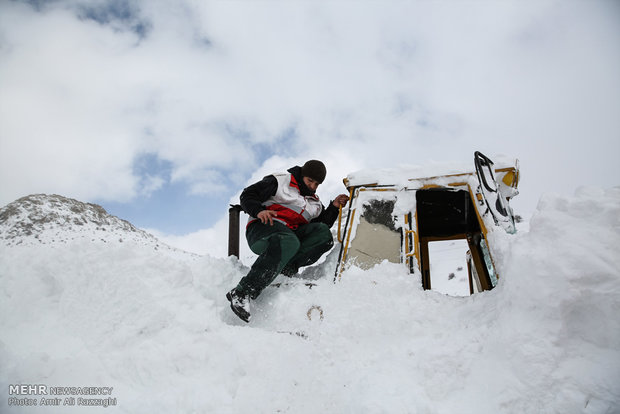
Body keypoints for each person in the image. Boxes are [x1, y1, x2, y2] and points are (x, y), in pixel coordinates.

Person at [226, 160, 349, 322]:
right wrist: (260, 211)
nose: (312, 186)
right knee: (288, 240)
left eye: (316, 184)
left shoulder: (314, 203)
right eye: (309, 181)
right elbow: (248, 194)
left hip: (290, 237)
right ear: (302, 175)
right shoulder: (280, 181)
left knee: (323, 235)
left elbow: (320, 226)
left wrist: (333, 206)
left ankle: (286, 268)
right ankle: (243, 292)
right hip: (263, 229)